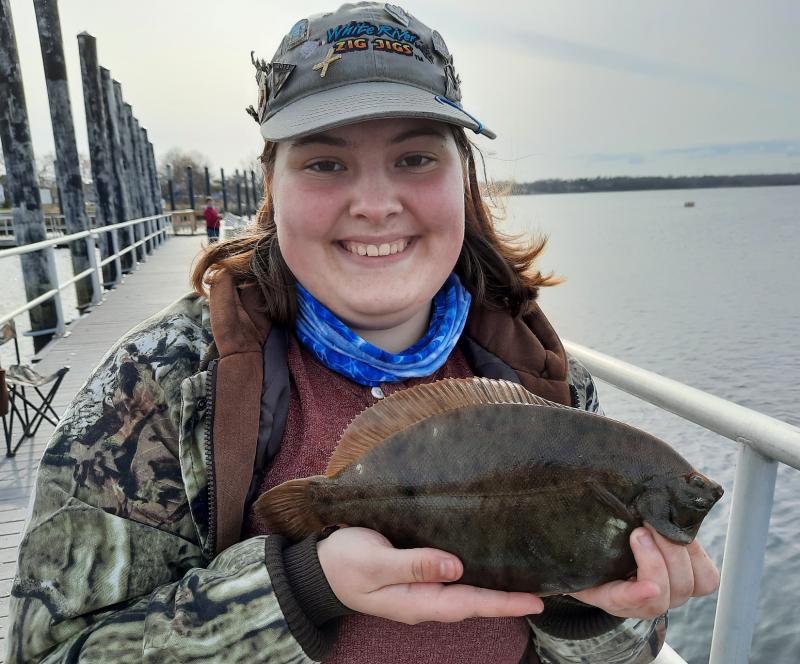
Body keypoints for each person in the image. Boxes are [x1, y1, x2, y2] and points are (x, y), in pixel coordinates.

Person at [7, 4, 720, 663]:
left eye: (415, 159)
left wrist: (598, 612)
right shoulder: (160, 388)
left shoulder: (543, 377)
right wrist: (301, 587)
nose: (376, 204)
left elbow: (630, 648)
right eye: (325, 163)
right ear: (271, 186)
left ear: (463, 181)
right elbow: (49, 650)